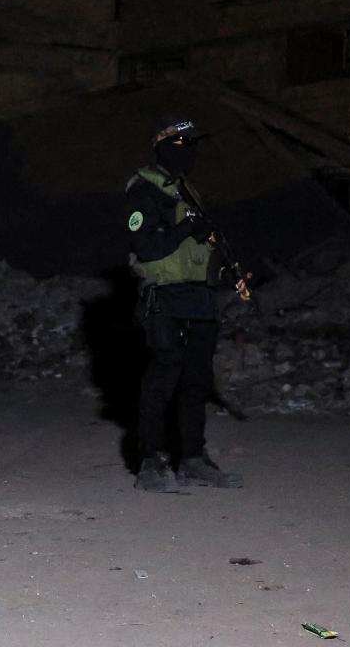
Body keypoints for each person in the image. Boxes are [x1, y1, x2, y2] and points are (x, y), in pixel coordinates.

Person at [125, 115, 243, 491]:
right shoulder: (145, 190)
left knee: (197, 379)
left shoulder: (187, 190)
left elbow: (200, 248)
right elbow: (146, 246)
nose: (191, 153)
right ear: (162, 147)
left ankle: (192, 456)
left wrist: (226, 271)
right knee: (163, 376)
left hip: (199, 297)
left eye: (194, 145)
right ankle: (151, 460)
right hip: (165, 296)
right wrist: (185, 228)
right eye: (183, 145)